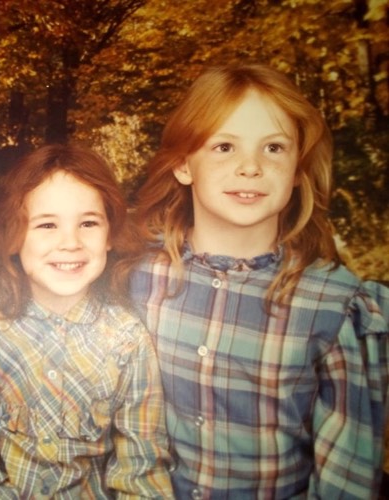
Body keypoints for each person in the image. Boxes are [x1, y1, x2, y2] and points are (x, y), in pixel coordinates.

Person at [128, 64, 389, 498]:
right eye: (224, 146)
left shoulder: (335, 304)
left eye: (273, 147)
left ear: (298, 169)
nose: (250, 167)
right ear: (183, 165)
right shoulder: (138, 275)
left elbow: (346, 479)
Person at [0, 144, 173, 498]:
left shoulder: (127, 338)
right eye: (47, 225)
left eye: (88, 223)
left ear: (110, 235)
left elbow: (141, 465)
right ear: (14, 237)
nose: (70, 243)